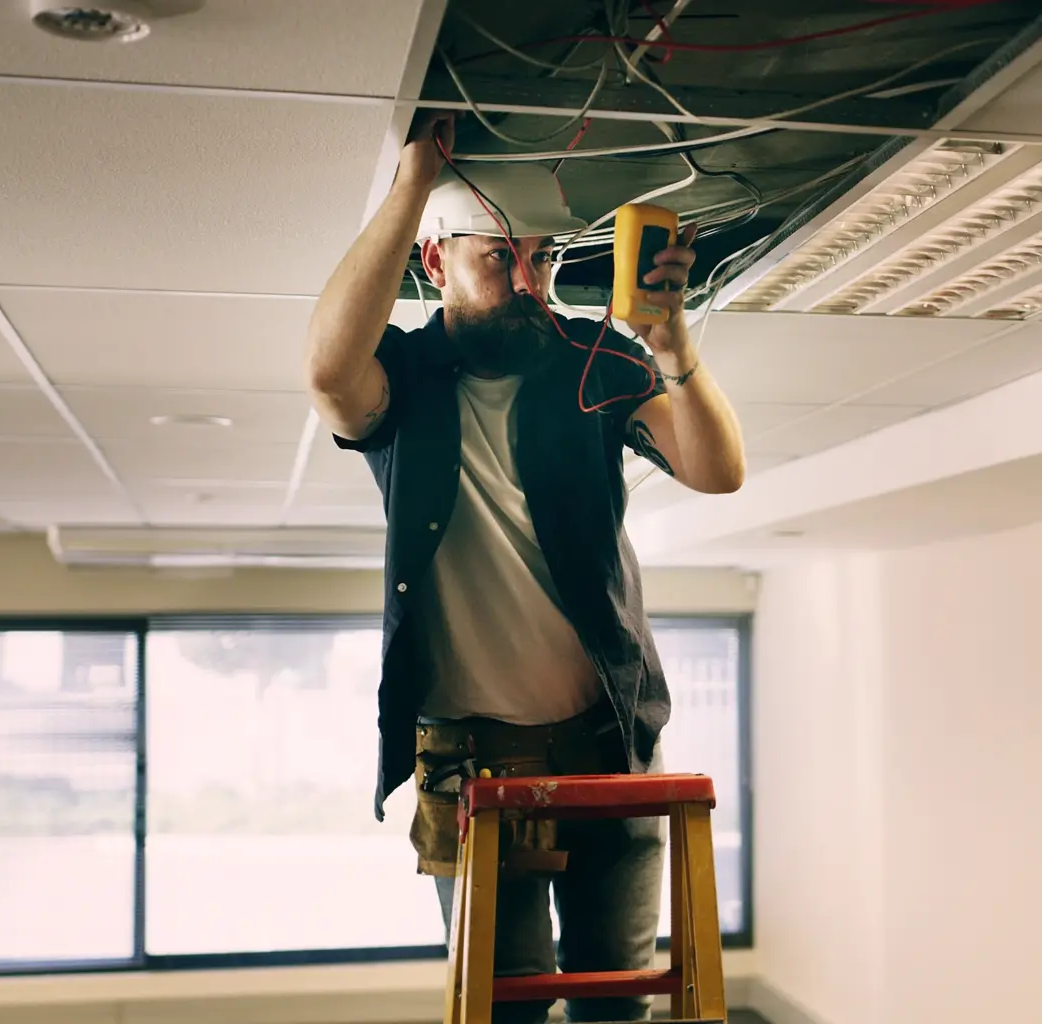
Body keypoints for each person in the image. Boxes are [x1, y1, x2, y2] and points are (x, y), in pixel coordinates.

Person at [303, 110, 747, 1023]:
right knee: (506, 1010)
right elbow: (326, 367)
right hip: (472, 763)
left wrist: (674, 352)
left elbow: (718, 470)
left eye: (540, 260)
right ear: (436, 265)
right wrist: (414, 184)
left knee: (615, 1008)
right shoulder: (404, 381)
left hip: (608, 743)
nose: (528, 283)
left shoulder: (590, 359)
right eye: (497, 259)